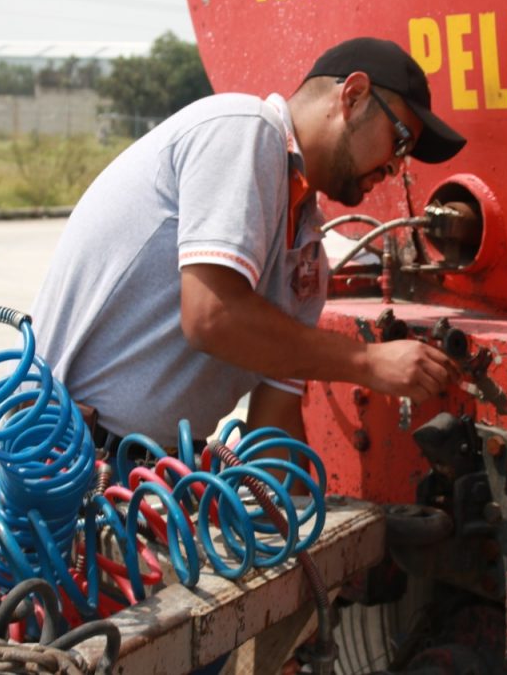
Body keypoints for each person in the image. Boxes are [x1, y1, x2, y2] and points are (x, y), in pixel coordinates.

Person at [30, 37, 467, 453]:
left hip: (155, 475)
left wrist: (299, 513)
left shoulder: (308, 252)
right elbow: (212, 317)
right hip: (67, 459)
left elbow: (273, 420)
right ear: (352, 96)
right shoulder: (244, 129)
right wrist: (369, 362)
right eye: (400, 141)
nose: (395, 167)